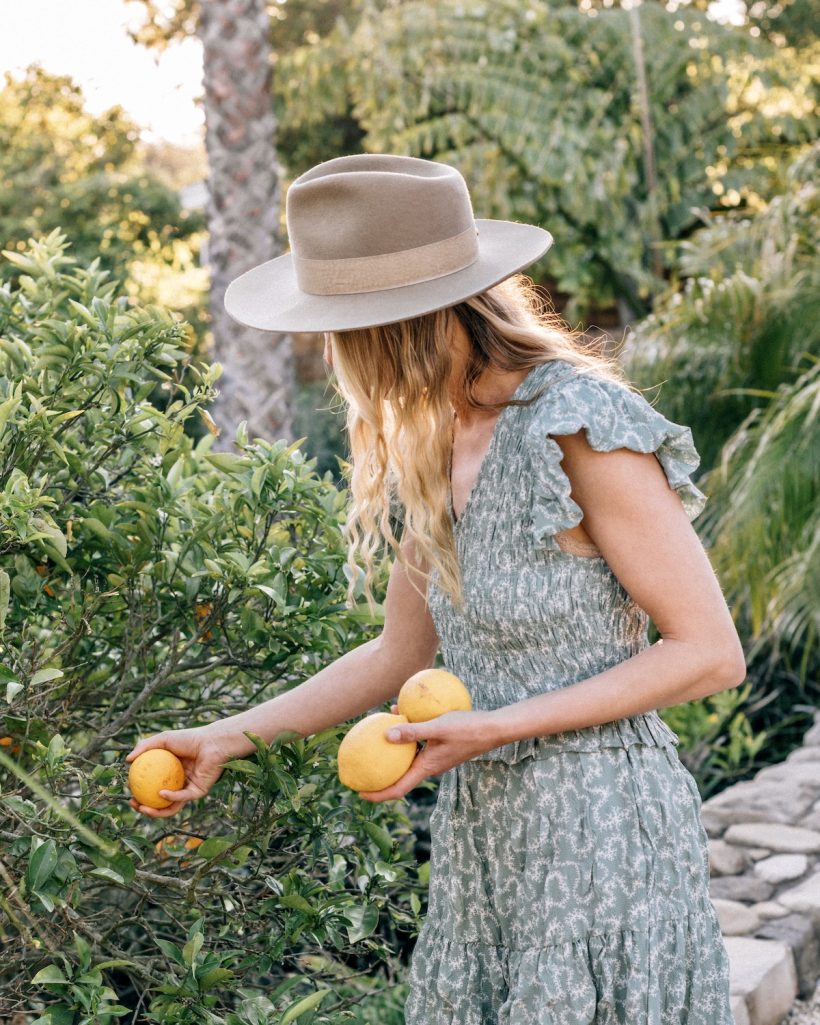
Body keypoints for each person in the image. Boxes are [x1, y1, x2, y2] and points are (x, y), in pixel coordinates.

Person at [126, 153, 745, 1022]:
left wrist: (491, 727)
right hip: (485, 833)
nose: (338, 356)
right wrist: (227, 735)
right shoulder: (435, 441)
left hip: (600, 826)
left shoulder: (578, 423)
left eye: (340, 327)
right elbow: (397, 654)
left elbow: (710, 652)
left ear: (395, 324)